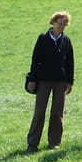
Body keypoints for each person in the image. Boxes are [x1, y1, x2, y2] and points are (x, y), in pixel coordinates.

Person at [26, 11, 75, 153]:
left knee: (57, 112)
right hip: (43, 81)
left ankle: (54, 142)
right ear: (53, 22)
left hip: (60, 82)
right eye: (60, 23)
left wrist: (70, 82)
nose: (62, 26)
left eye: (64, 24)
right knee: (39, 111)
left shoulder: (66, 41)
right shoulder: (42, 39)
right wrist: (32, 80)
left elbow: (70, 62)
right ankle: (32, 143)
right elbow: (35, 60)